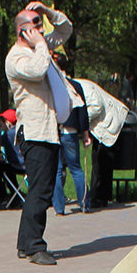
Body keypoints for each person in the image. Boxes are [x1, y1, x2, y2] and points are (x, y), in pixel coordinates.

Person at [5, 0, 73, 265]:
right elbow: (38, 69)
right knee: (41, 191)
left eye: (40, 25)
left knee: (39, 189)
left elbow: (66, 30)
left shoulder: (38, 48)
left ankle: (25, 244)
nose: (41, 30)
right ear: (22, 31)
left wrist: (47, 12)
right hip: (34, 132)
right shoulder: (17, 57)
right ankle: (35, 247)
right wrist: (42, 45)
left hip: (47, 130)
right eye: (35, 25)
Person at [74, 75, 128, 211]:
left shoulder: (82, 88)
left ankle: (98, 197)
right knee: (101, 161)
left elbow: (97, 106)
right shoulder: (79, 86)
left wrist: (81, 121)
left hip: (109, 123)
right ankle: (101, 196)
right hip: (104, 124)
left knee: (101, 161)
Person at [51, 55, 88, 217]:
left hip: (54, 131)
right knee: (76, 169)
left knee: (57, 170)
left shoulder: (52, 85)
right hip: (71, 131)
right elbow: (83, 112)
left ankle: (59, 208)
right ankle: (84, 203)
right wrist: (85, 134)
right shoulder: (75, 85)